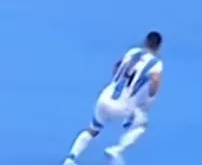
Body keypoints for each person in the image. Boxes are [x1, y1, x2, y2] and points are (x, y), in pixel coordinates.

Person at [63, 32, 163, 165]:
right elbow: (155, 80)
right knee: (141, 125)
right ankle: (117, 150)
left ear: (145, 41)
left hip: (105, 98)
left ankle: (70, 159)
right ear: (159, 47)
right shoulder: (156, 63)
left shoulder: (132, 52)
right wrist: (151, 94)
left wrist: (117, 81)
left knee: (93, 129)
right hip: (124, 106)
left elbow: (117, 65)